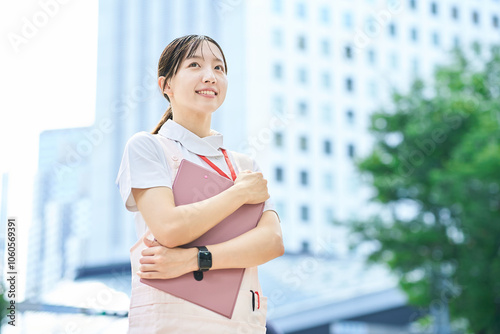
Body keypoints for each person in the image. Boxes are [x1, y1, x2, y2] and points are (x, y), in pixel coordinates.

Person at [115, 34, 284, 333]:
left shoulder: (244, 165)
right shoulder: (149, 147)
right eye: (195, 64)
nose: (210, 76)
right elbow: (169, 228)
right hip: (172, 324)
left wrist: (195, 259)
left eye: (219, 68)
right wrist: (240, 192)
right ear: (165, 85)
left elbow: (271, 242)